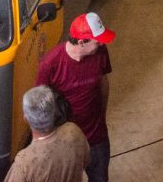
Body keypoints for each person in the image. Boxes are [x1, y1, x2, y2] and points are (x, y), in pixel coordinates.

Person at [36, 12, 115, 182]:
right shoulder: (50, 64)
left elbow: (103, 82)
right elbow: (38, 106)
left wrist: (102, 117)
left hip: (96, 137)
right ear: (81, 42)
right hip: (65, 143)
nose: (101, 43)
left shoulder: (100, 52)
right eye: (97, 40)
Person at [7, 86, 91, 182]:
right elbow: (86, 161)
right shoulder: (73, 131)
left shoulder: (24, 162)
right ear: (54, 112)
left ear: (26, 119)